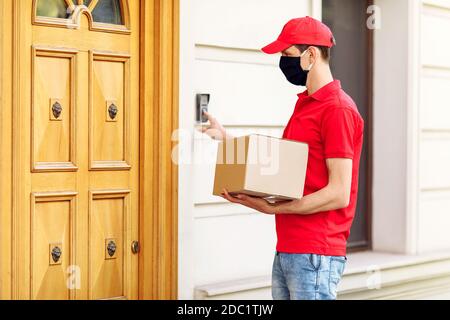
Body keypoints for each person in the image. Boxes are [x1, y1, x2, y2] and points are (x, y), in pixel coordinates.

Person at [199, 16, 364, 300]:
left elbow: (339, 193)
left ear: (311, 54)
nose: (283, 63)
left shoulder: (337, 109)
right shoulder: (305, 105)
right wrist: (227, 140)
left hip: (316, 253)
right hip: (290, 247)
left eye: (287, 55)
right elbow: (283, 166)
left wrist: (273, 208)